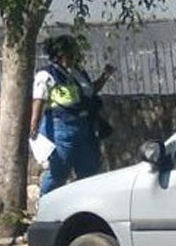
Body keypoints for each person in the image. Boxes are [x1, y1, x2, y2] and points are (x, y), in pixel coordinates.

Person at [29, 35, 116, 195]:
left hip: (84, 128)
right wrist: (34, 123)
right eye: (69, 54)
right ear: (59, 54)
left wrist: (105, 76)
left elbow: (90, 90)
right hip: (61, 129)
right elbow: (39, 99)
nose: (72, 57)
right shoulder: (47, 74)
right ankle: (44, 203)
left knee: (88, 169)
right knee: (59, 171)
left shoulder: (77, 72)